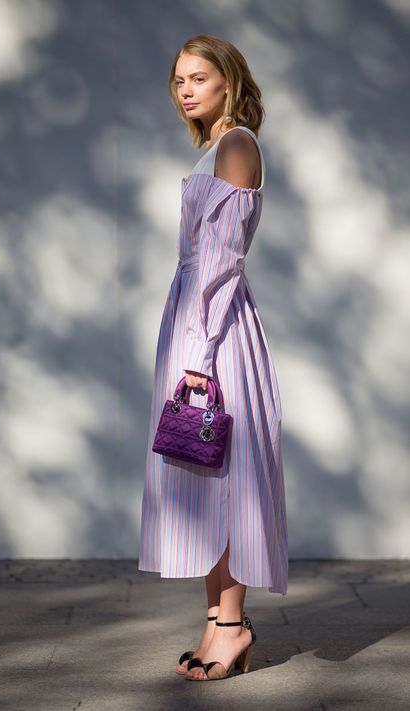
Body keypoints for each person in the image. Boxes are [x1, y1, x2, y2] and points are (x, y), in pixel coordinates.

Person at [138, 34, 288, 681]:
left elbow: (222, 264)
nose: (186, 89)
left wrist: (198, 353)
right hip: (196, 325)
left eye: (199, 76)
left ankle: (232, 624)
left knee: (223, 481)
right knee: (200, 478)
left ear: (229, 80)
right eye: (178, 80)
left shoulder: (235, 145)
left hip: (214, 334)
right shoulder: (214, 149)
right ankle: (217, 620)